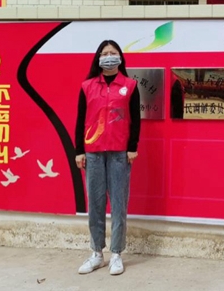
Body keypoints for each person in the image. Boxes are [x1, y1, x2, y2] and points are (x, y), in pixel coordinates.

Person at [74, 40, 141, 275]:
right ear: (98, 58)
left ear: (120, 57)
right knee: (95, 203)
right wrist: (79, 150)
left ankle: (116, 254)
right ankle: (96, 253)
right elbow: (80, 119)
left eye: (113, 53)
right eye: (105, 53)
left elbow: (135, 119)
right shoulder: (87, 86)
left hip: (120, 152)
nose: (109, 56)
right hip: (93, 152)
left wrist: (132, 147)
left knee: (119, 204)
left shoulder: (130, 86)